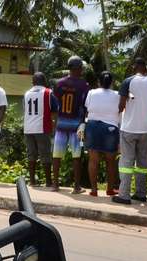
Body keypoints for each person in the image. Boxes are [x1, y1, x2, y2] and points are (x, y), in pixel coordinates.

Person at [113, 58, 147, 205]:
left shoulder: (128, 81)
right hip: (145, 129)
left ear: (135, 66)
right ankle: (141, 193)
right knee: (142, 164)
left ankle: (124, 195)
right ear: (145, 67)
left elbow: (120, 106)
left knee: (126, 162)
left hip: (129, 128)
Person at [53, 56, 90, 193]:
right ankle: (76, 187)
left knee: (57, 154)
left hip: (61, 123)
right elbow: (85, 105)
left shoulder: (59, 83)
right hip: (77, 125)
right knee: (77, 155)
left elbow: (55, 101)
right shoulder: (84, 85)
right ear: (78, 68)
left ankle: (55, 185)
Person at [82, 71, 120, 197]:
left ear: (99, 82)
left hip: (93, 126)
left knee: (93, 160)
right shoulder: (117, 95)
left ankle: (94, 190)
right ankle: (109, 189)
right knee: (111, 161)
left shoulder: (92, 93)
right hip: (110, 128)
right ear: (112, 83)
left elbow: (87, 108)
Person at [23, 72, 58, 186]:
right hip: (42, 127)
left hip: (28, 128)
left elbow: (25, 109)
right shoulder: (48, 93)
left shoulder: (26, 93)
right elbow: (54, 111)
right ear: (44, 81)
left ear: (33, 82)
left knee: (31, 155)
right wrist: (54, 125)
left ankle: (32, 181)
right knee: (45, 154)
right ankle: (48, 181)